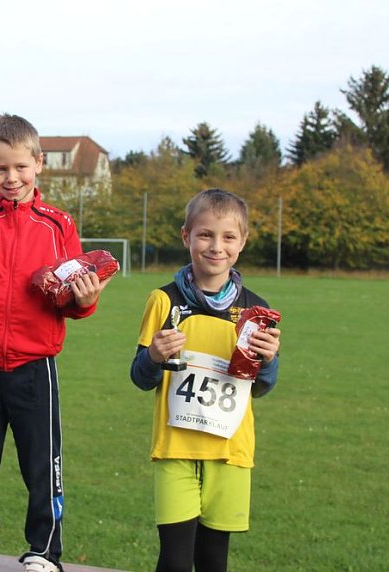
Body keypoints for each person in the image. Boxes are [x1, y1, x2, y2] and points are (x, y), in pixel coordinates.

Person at [0, 113, 113, 572]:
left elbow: (71, 297)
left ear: (38, 163)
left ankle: (44, 552)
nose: (10, 178)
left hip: (35, 367)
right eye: (0, 169)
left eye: (20, 167)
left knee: (41, 464)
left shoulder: (58, 226)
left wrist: (86, 301)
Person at [129, 188, 281, 572]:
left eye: (228, 237)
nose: (216, 247)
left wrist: (268, 360)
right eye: (205, 235)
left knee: (214, 560)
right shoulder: (164, 301)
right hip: (176, 449)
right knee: (175, 561)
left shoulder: (256, 310)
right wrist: (153, 356)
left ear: (242, 242)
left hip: (230, 452)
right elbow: (141, 378)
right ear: (187, 236)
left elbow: (261, 386)